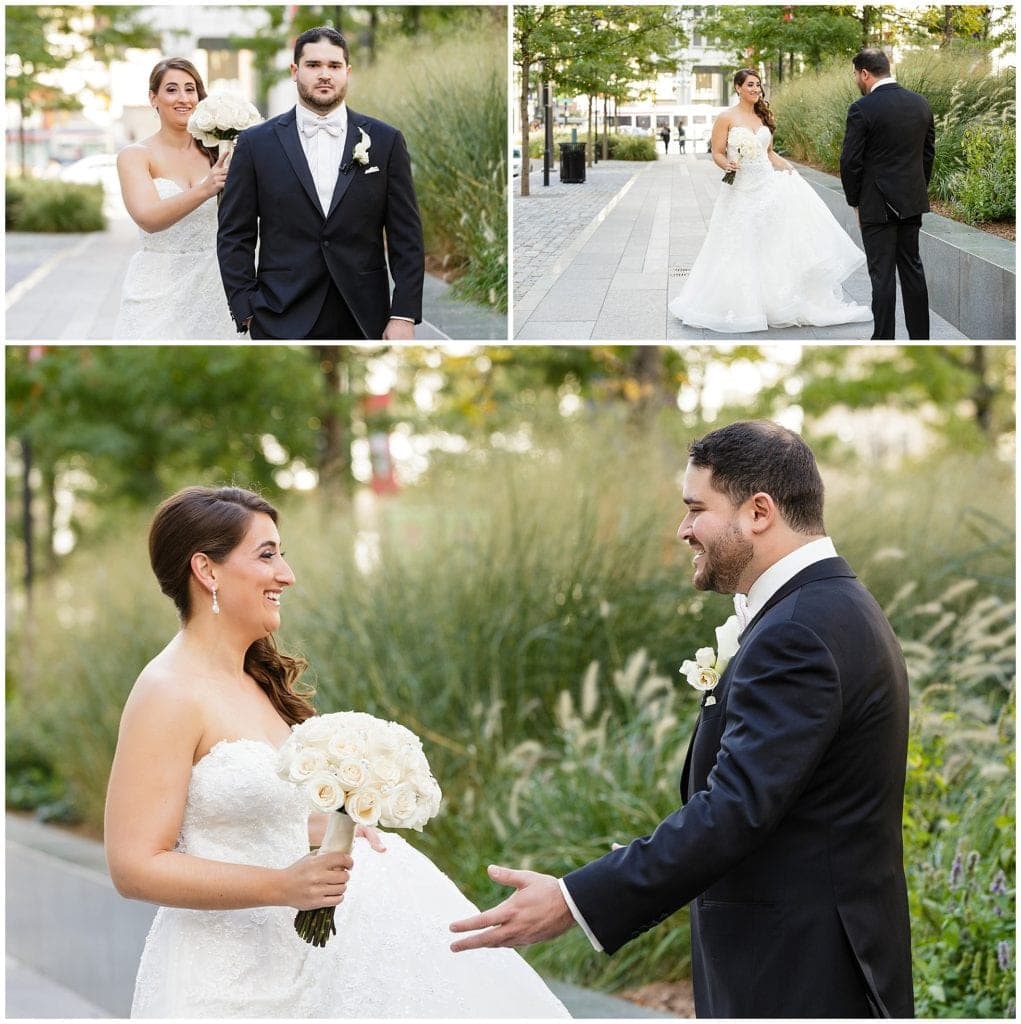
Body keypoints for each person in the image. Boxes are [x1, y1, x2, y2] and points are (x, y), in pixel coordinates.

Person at [450, 420, 914, 1019]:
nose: (683, 529)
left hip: (801, 977)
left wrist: (574, 899)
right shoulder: (826, 606)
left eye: (696, 509)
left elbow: (733, 810)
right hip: (804, 961)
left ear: (759, 511)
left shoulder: (797, 631)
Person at [106, 486, 568, 1018]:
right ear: (207, 571)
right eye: (267, 554)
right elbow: (135, 866)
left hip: (302, 960)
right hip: (222, 976)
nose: (287, 574)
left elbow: (246, 816)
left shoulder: (255, 682)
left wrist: (332, 826)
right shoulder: (167, 691)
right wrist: (281, 886)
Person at [217, 26, 424, 341]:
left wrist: (403, 315)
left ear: (347, 72)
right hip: (280, 313)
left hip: (365, 316)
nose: (324, 74)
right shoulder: (255, 144)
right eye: (313, 65)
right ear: (295, 71)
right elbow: (235, 233)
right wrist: (246, 308)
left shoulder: (386, 141)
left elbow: (406, 236)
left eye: (334, 66)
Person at [668, 69, 872, 334]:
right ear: (738, 87)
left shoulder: (761, 117)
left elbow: (769, 153)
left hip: (766, 186)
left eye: (758, 85)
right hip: (740, 189)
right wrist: (726, 164)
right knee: (739, 243)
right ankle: (742, 304)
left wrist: (791, 171)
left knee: (772, 242)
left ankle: (775, 301)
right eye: (750, 85)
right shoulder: (726, 118)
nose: (756, 89)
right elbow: (716, 153)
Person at [114, 58, 234, 339]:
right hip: (157, 283)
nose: (183, 98)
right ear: (153, 98)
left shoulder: (220, 152)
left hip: (215, 283)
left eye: (190, 89)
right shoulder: (135, 156)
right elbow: (148, 218)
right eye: (172, 90)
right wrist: (205, 189)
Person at [840, 48, 935, 340]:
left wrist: (855, 201)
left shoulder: (862, 109)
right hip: (911, 201)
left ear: (864, 73)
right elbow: (927, 155)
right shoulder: (921, 104)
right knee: (912, 270)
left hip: (876, 205)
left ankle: (883, 339)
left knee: (882, 275)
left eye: (856, 74)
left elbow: (850, 162)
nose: (856, 79)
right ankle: (921, 338)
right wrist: (916, 190)